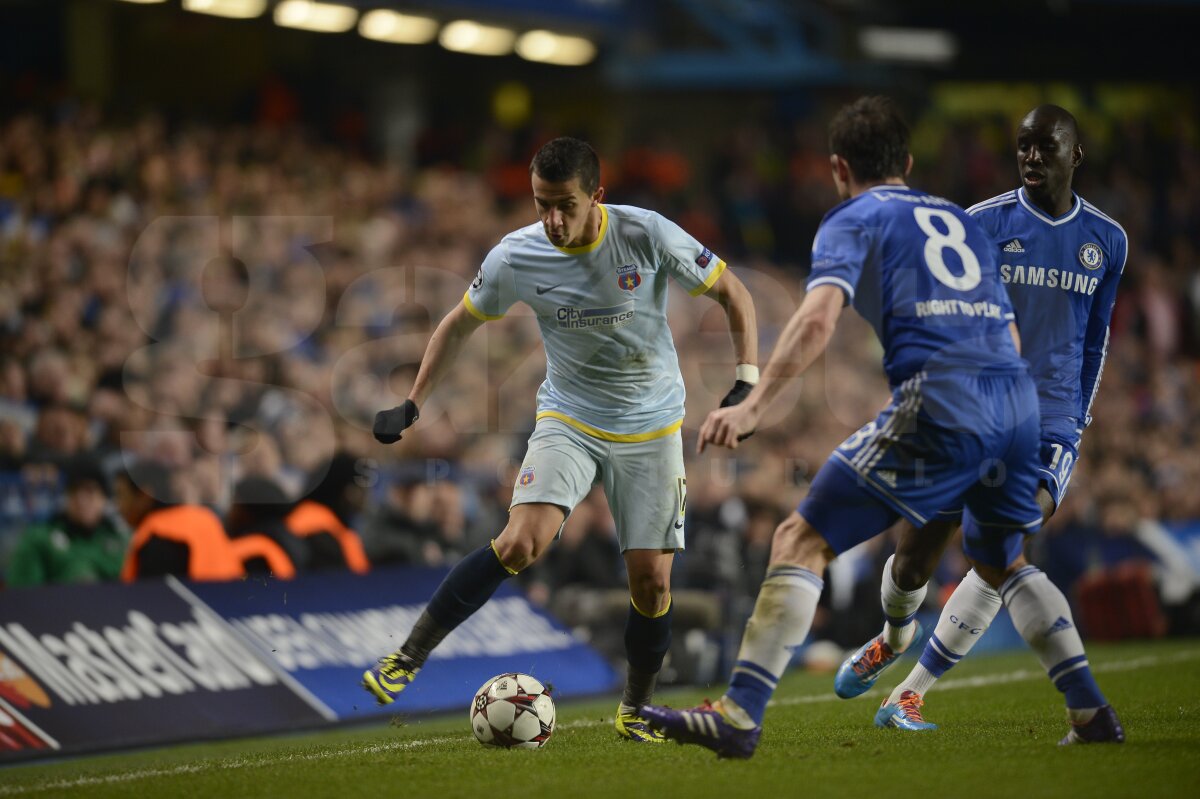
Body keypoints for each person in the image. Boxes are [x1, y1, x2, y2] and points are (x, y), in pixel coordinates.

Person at [640, 96, 1121, 758]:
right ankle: (1090, 709)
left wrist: (751, 404)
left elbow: (814, 320)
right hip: (1019, 401)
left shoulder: (853, 216)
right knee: (1002, 560)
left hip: (946, 396)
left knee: (800, 537)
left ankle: (739, 713)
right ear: (910, 163)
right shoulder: (957, 215)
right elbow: (1006, 326)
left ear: (839, 168)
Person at [363, 136, 759, 743]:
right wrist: (413, 402)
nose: (551, 220)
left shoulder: (646, 234)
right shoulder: (517, 254)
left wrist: (746, 379)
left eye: (564, 205)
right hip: (569, 419)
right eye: (541, 204)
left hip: (651, 427)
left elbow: (735, 293)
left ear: (596, 196)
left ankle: (635, 709)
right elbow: (458, 324)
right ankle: (407, 658)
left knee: (651, 583)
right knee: (519, 543)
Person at [834, 105, 1128, 736]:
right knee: (913, 561)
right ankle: (891, 635)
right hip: (969, 410)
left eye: (1045, 148)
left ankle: (909, 694)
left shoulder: (1107, 240)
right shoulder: (980, 224)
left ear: (1075, 156)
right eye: (1022, 147)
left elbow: (1096, 339)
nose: (1030, 158)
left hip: (1047, 423)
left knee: (1003, 548)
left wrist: (1076, 419)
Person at [5, 456, 128, 587]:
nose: (81, 500)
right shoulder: (39, 539)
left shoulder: (121, 540)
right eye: (74, 491)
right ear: (66, 497)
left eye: (90, 491)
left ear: (104, 498)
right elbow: (22, 595)